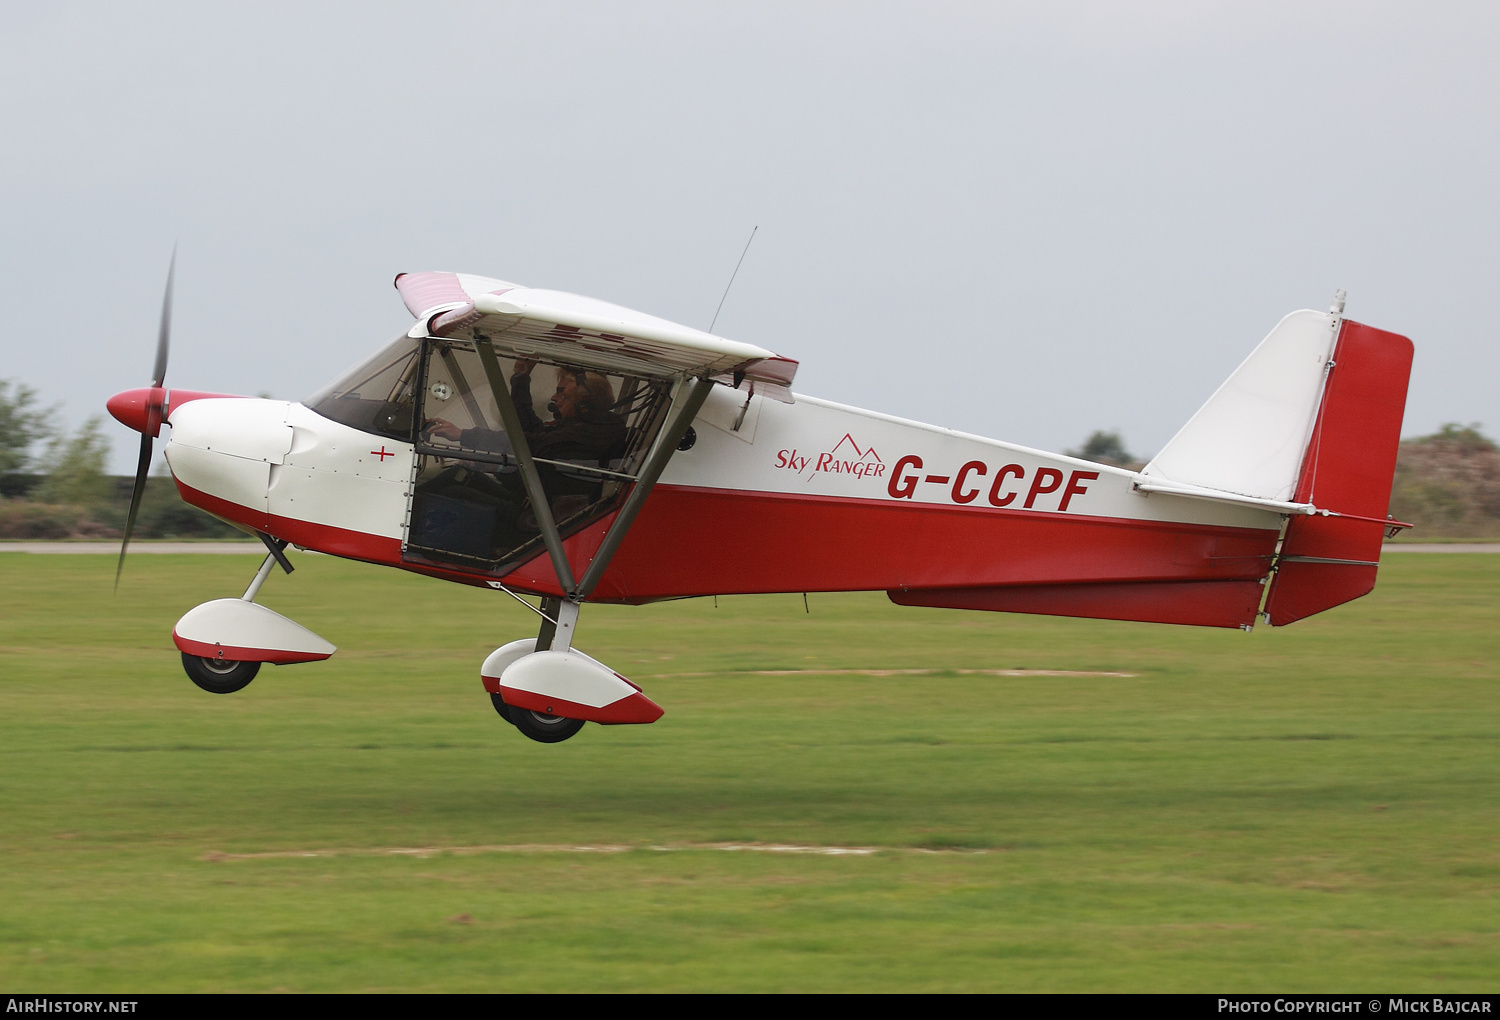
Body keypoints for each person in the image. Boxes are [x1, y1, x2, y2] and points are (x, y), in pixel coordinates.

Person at [424, 360, 625, 463]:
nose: (554, 399)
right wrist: (521, 378)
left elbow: (529, 443)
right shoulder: (582, 426)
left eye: (563, 394)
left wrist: (463, 435)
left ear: (585, 404)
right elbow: (530, 428)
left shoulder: (595, 432)